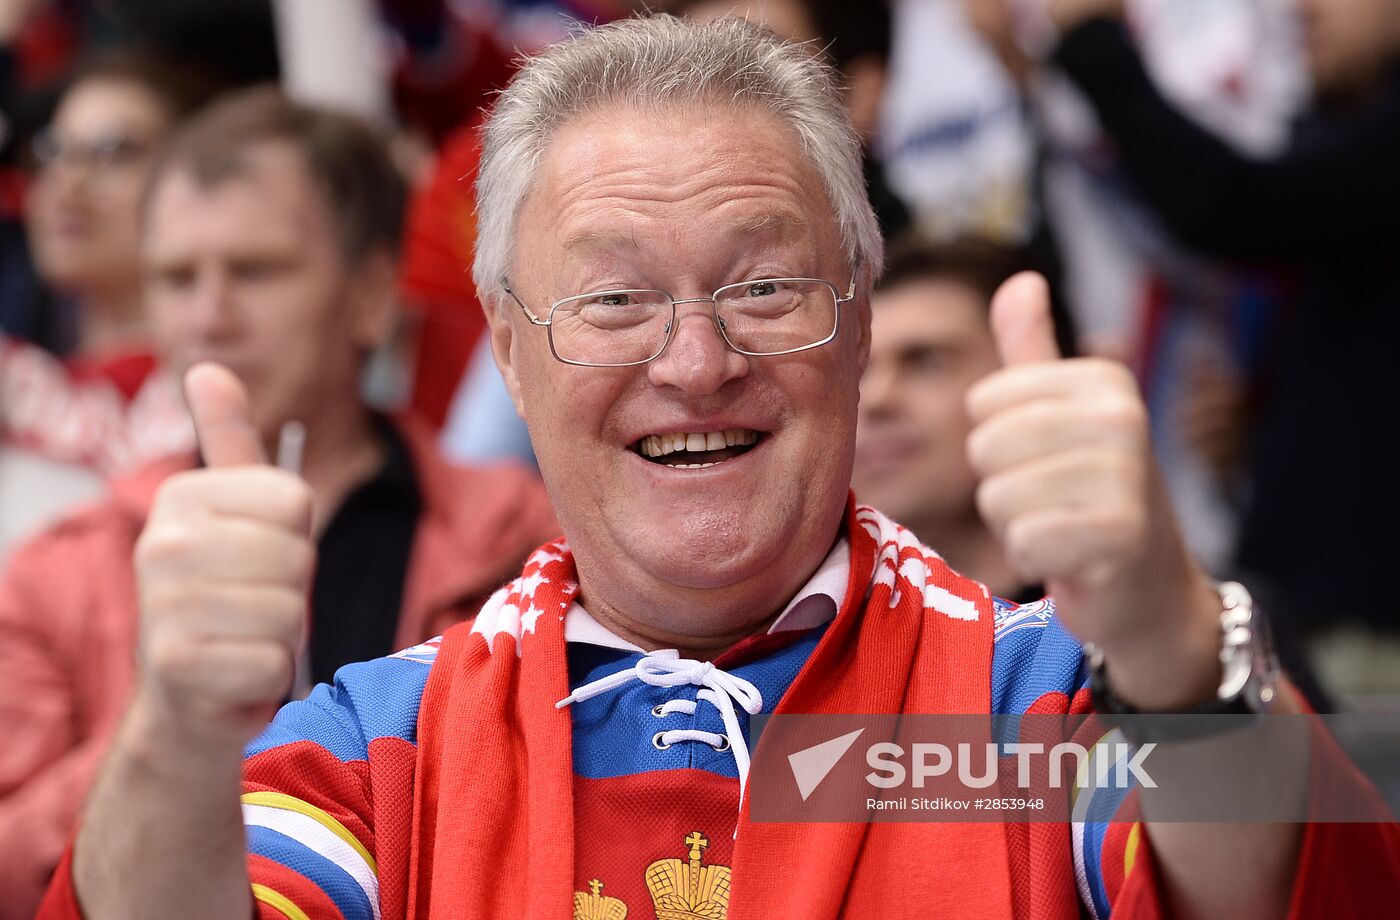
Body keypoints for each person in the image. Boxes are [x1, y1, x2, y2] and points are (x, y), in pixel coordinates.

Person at [43, 16, 1397, 920]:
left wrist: (1168, 634)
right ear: (508, 360)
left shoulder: (1014, 713)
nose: (695, 363)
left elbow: (1290, 890)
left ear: (856, 324)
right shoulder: (387, 748)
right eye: (615, 303)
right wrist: (171, 719)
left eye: (763, 285)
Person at [0, 88, 557, 919]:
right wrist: (173, 726)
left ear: (371, 292)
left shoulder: (521, 542)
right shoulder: (61, 564)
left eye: (256, 271)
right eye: (176, 279)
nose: (208, 318)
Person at [1035, 0, 1400, 704]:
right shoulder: (1342, 138)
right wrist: (1264, 422)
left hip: (1371, 635)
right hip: (1312, 609)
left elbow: (1240, 204)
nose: (1301, 8)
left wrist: (1094, 44)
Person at [1, 50, 215, 474]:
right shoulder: (17, 386)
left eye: (114, 151)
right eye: (52, 151)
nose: (66, 180)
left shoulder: (236, 388)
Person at [853, 236, 1039, 602]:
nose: (876, 399)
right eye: (857, 371)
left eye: (927, 362)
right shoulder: (800, 646)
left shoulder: (1159, 615)